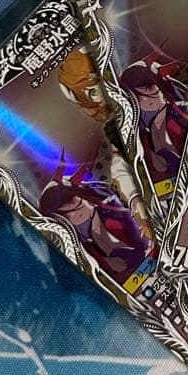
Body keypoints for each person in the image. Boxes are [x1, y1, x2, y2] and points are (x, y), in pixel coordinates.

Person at [57, 47, 154, 241]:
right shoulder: (112, 135)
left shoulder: (141, 87)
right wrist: (138, 205)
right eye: (92, 92)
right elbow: (121, 170)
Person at [38, 153, 151, 283]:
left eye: (72, 202)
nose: (74, 214)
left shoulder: (109, 205)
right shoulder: (79, 240)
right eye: (67, 215)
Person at [119, 53, 188, 180]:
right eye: (139, 98)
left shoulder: (183, 111)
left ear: (160, 84)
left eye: (149, 88)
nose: (147, 100)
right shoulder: (145, 134)